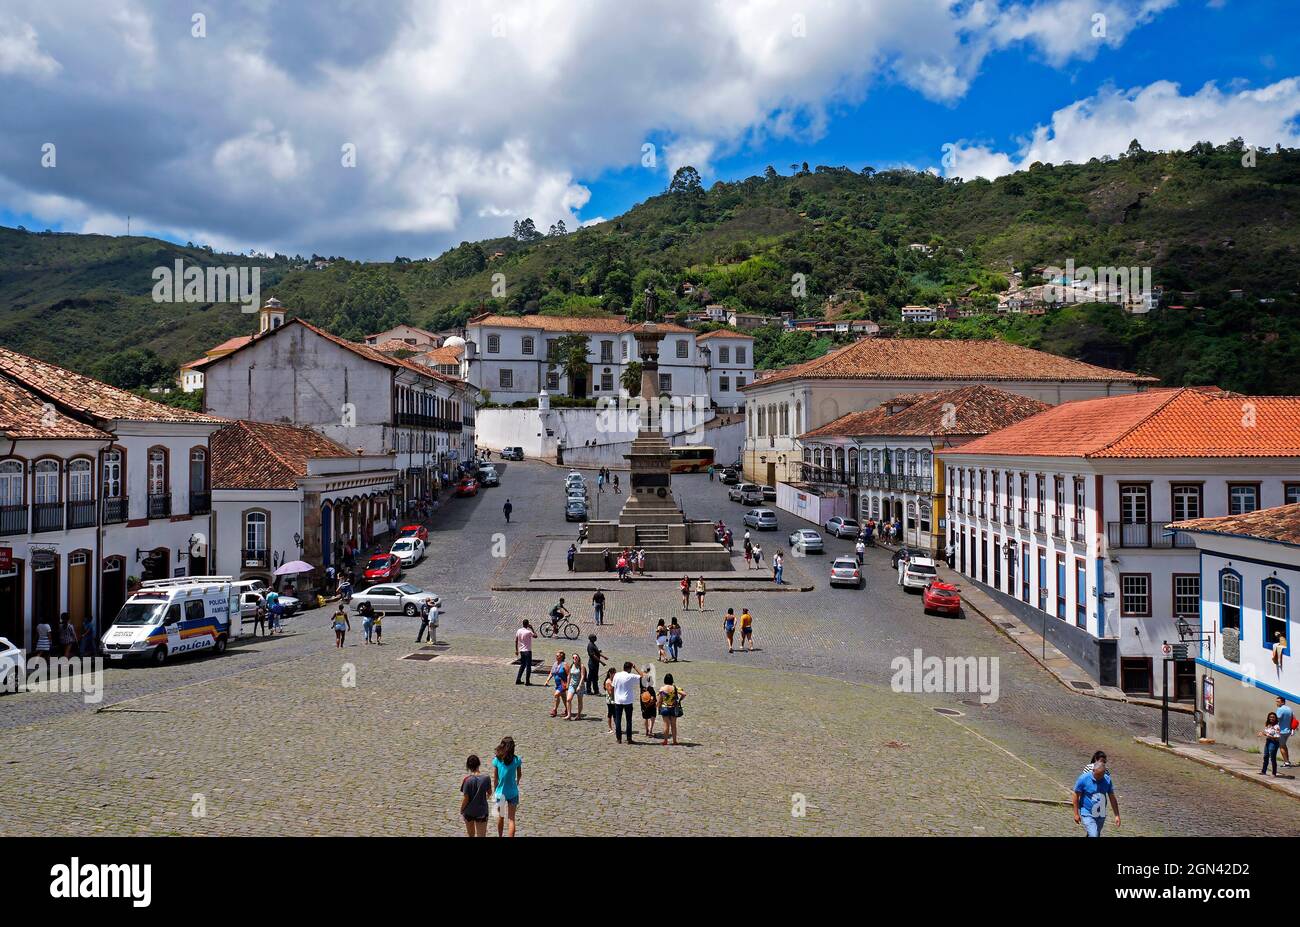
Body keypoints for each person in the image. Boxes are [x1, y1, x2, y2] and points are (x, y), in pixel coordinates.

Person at [1072, 754, 1120, 836]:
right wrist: (1076, 813)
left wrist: (1117, 815)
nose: (1099, 778)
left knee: (1095, 834)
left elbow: (1112, 798)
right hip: (1087, 812)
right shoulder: (1083, 779)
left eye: (1101, 776)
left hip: (1101, 813)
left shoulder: (1107, 780)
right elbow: (1075, 795)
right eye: (1097, 775)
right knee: (1094, 835)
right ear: (1093, 770)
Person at [491, 737, 522, 837]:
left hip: (501, 793)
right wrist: (516, 782)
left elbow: (495, 778)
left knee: (501, 816)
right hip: (513, 793)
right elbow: (519, 774)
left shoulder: (497, 760)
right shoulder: (517, 760)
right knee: (511, 819)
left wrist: (495, 790)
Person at [611, 662, 645, 744]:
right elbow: (643, 676)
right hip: (628, 701)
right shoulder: (630, 676)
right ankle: (629, 738)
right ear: (629, 668)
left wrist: (613, 697)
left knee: (618, 720)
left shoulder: (617, 675)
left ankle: (619, 738)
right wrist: (635, 667)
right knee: (628, 720)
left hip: (618, 700)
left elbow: (613, 687)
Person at [460, 755, 492, 837]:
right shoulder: (486, 778)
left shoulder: (467, 780)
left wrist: (461, 809)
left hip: (469, 811)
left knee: (471, 835)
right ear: (479, 764)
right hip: (482, 811)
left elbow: (466, 799)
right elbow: (489, 792)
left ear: (468, 766)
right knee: (481, 835)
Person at [658, 673, 685, 746]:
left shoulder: (662, 688)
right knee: (673, 725)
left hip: (665, 708)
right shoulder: (675, 688)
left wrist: (658, 707)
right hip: (673, 708)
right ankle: (674, 741)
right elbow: (684, 694)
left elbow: (660, 700)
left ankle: (665, 741)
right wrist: (680, 700)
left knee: (666, 725)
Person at [546, 651, 569, 718]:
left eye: (557, 656)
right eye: (556, 656)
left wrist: (568, 683)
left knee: (556, 695)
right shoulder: (555, 664)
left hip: (563, 683)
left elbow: (568, 675)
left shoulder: (565, 664)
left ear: (561, 657)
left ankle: (554, 710)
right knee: (564, 698)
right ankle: (567, 709)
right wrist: (547, 680)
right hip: (557, 684)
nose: (556, 657)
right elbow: (552, 672)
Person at [513, 619, 537, 685]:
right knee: (528, 666)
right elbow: (535, 636)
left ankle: (518, 679)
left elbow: (516, 640)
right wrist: (532, 628)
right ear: (528, 624)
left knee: (522, 665)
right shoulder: (528, 632)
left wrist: (516, 650)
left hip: (521, 651)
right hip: (528, 651)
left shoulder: (519, 630)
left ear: (523, 624)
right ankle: (527, 681)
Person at [1261, 712, 1283, 776]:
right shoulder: (1268, 725)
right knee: (1265, 756)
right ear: (1268, 718)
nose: (1272, 718)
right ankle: (1263, 771)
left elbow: (1277, 736)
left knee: (1272, 758)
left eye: (1273, 717)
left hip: (1274, 743)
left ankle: (1274, 773)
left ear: (1275, 718)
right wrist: (1262, 733)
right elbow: (1266, 732)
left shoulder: (1277, 726)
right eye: (1270, 717)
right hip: (1268, 741)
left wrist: (1268, 735)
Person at [566, 653, 586, 720]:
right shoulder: (571, 665)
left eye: (576, 657)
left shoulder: (581, 666)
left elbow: (582, 676)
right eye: (573, 658)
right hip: (572, 685)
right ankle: (569, 715)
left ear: (578, 658)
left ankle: (579, 715)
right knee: (568, 699)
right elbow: (569, 675)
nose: (575, 659)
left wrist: (579, 686)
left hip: (580, 685)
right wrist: (567, 684)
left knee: (579, 700)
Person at [1276, 697, 1295, 767]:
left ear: (1283, 702)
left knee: (1281, 747)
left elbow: (1277, 719)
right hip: (1288, 731)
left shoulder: (1280, 709)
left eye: (1278, 702)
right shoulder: (1289, 709)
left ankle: (1286, 762)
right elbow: (1294, 718)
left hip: (1282, 731)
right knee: (1284, 745)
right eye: (1276, 701)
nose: (1277, 703)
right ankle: (1287, 760)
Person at [640, 672, 658, 738]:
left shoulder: (642, 687)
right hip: (651, 704)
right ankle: (650, 731)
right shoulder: (650, 688)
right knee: (652, 716)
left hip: (643, 704)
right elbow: (653, 698)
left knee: (645, 717)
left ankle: (646, 731)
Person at [603, 668, 618, 735]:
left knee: (615, 714)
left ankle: (617, 727)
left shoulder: (614, 680)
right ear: (610, 673)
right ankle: (610, 728)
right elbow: (610, 693)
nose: (614, 674)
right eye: (613, 673)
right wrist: (614, 687)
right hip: (610, 700)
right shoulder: (608, 681)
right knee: (610, 714)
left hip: (615, 700)